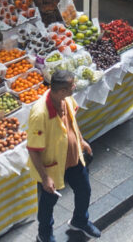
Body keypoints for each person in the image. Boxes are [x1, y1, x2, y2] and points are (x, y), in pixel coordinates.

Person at [27, 70, 100, 242]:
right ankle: (44, 234)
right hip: (52, 166)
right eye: (71, 86)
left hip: (74, 159)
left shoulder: (66, 99)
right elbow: (33, 150)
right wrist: (45, 178)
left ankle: (80, 221)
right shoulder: (40, 114)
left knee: (84, 190)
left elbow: (72, 123)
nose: (74, 87)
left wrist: (81, 141)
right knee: (48, 203)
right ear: (61, 91)